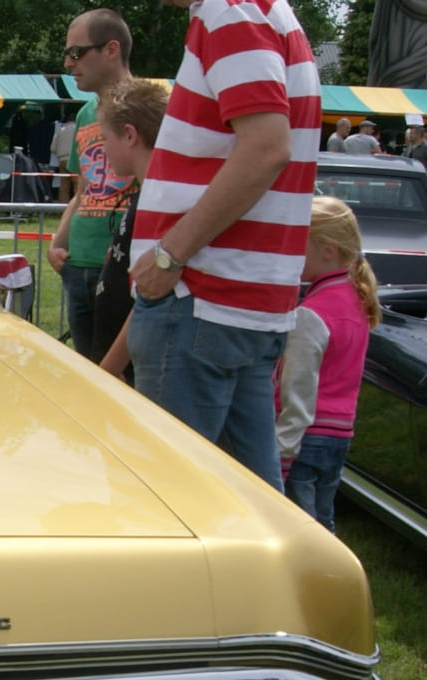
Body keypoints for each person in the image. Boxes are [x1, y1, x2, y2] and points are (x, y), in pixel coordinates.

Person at [127, 0, 321, 492]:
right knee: (252, 510)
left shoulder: (229, 12)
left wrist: (170, 254)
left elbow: (265, 146)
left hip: (200, 299)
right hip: (233, 303)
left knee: (173, 504)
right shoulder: (263, 14)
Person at [274, 197, 379, 530]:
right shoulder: (356, 301)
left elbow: (298, 388)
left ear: (327, 249)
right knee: (323, 520)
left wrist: (283, 452)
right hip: (339, 433)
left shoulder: (313, 313)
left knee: (301, 529)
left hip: (305, 437)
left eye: (299, 242)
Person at [48, 8, 137, 361]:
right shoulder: (85, 114)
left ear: (111, 50)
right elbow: (84, 190)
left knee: (122, 380)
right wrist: (57, 242)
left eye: (76, 52)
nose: (68, 64)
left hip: (119, 266)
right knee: (88, 378)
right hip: (77, 264)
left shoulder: (148, 108)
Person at [91, 79, 170, 382]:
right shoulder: (146, 196)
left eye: (105, 137)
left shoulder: (156, 202)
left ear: (129, 135)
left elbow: (147, 295)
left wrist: (110, 367)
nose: (103, 148)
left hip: (130, 369)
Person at [49, 111, 76, 202]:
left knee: (64, 187)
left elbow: (52, 148)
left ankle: (62, 208)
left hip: (62, 160)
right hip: (74, 160)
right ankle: (76, 208)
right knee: (77, 186)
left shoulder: (61, 130)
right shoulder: (78, 130)